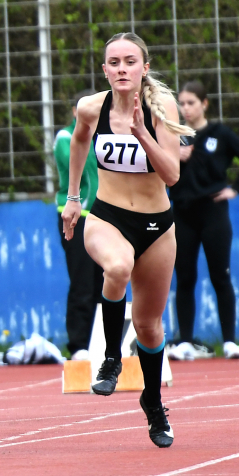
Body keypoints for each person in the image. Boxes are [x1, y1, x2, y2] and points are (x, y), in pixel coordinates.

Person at [63, 32, 194, 448]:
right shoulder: (91, 107)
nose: (122, 69)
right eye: (114, 62)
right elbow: (80, 139)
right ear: (104, 70)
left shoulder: (161, 109)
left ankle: (153, 403)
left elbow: (172, 175)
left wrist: (142, 133)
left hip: (157, 226)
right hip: (106, 216)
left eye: (130, 62)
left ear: (144, 68)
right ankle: (110, 360)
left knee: (150, 327)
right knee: (117, 268)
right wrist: (72, 198)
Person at [169, 81, 239, 360]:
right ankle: (185, 341)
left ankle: (230, 341)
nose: (186, 109)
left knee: (220, 277)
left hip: (213, 213)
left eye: (191, 103)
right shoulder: (174, 135)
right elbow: (153, 163)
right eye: (182, 103)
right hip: (182, 212)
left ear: (204, 104)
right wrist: (173, 154)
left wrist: (235, 188)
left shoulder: (220, 133)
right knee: (184, 277)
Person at [54, 90, 104, 361]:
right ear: (75, 112)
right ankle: (78, 345)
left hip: (105, 217)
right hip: (75, 215)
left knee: (105, 281)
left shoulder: (107, 136)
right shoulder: (66, 137)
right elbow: (76, 163)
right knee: (82, 281)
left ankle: (102, 342)